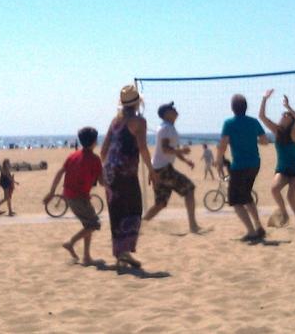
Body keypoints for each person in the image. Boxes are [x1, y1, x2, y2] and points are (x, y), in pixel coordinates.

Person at [101, 84, 158, 270]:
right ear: (137, 103)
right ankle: (124, 252)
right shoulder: (139, 122)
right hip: (126, 172)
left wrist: (106, 169)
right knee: (133, 208)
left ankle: (120, 253)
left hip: (111, 171)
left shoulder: (115, 121)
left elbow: (104, 150)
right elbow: (142, 148)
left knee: (116, 211)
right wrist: (151, 170)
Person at [43, 126, 106, 265]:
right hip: (80, 197)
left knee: (87, 224)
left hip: (69, 195)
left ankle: (87, 257)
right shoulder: (95, 159)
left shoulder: (72, 156)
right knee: (94, 224)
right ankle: (70, 242)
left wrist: (52, 192)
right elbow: (102, 182)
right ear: (94, 141)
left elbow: (60, 173)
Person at [215, 94, 268, 241]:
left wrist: (218, 161)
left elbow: (223, 145)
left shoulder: (229, 123)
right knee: (247, 196)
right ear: (246, 107)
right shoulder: (253, 122)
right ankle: (258, 227)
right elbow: (265, 141)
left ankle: (251, 232)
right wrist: (250, 139)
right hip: (254, 164)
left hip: (239, 166)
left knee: (236, 201)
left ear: (232, 108)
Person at [143, 102, 201, 234]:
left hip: (158, 168)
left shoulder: (168, 127)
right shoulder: (166, 129)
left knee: (160, 204)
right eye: (172, 109)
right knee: (189, 189)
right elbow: (166, 149)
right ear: (166, 114)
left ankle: (140, 226)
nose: (175, 110)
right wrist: (182, 151)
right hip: (163, 169)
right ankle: (193, 226)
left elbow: (171, 149)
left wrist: (185, 160)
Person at [258, 90, 295, 228]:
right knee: (274, 189)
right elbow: (261, 116)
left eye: (287, 116)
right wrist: (264, 98)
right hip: (283, 168)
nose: (284, 116)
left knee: (291, 197)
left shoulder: (293, 132)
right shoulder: (276, 130)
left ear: (291, 121)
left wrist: (288, 107)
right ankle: (284, 214)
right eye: (283, 114)